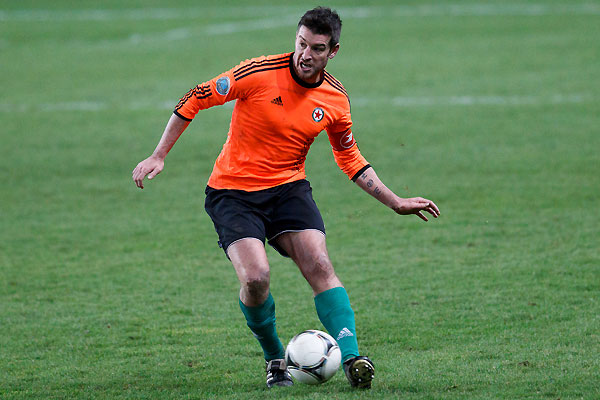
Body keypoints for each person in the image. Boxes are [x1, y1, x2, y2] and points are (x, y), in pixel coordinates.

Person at [132, 6, 440, 389]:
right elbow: (195, 97)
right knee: (257, 277)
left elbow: (349, 158)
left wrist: (395, 201)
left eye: (317, 48)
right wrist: (159, 154)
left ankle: (352, 358)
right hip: (233, 192)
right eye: (301, 43)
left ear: (333, 51)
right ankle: (275, 357)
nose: (305, 54)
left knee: (319, 263)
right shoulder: (256, 73)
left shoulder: (335, 99)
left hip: (288, 189)